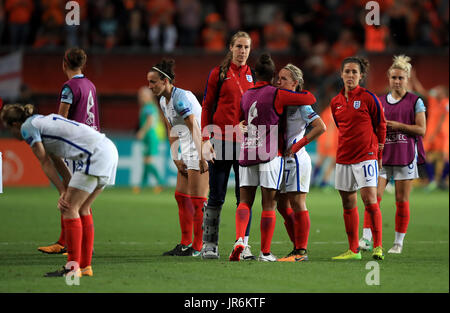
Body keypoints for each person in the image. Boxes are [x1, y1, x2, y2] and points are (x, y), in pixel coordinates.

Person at [1, 103, 118, 277]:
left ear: (15, 124)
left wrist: (63, 192)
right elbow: (57, 160)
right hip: (107, 149)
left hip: (94, 155)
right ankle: (85, 267)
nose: (10, 133)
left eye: (8, 128)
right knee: (82, 208)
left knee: (69, 208)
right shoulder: (41, 121)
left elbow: (45, 162)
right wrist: (65, 188)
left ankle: (72, 268)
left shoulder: (28, 127)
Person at [229, 53, 317, 262]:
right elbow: (310, 98)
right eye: (278, 78)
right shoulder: (276, 94)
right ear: (272, 77)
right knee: (269, 204)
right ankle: (265, 252)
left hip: (248, 151)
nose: (279, 81)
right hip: (270, 154)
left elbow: (238, 120)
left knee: (244, 202)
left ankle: (241, 239)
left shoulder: (246, 95)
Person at [360, 55, 426, 255]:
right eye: (394, 77)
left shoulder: (415, 101)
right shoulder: (379, 101)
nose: (397, 81)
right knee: (374, 196)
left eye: (401, 78)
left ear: (407, 79)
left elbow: (421, 130)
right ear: (388, 78)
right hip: (382, 156)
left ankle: (398, 243)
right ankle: (366, 238)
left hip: (405, 155)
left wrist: (399, 126)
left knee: (401, 199)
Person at [38, 48, 100, 256]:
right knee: (74, 195)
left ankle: (76, 244)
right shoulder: (89, 84)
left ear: (64, 64)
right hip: (91, 144)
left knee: (75, 196)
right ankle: (65, 241)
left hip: (76, 146)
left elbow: (61, 120)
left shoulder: (69, 87)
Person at [200, 31, 255, 260]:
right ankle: (209, 245)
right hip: (221, 141)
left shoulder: (253, 75)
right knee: (216, 195)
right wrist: (205, 141)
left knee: (245, 197)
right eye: (239, 46)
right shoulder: (218, 73)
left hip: (245, 144)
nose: (242, 51)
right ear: (231, 48)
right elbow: (206, 106)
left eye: (246, 47)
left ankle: (243, 244)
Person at [147, 59, 208, 257]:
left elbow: (194, 126)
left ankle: (198, 247)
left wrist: (201, 155)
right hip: (186, 147)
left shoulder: (180, 98)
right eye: (149, 82)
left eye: (153, 82)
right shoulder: (163, 100)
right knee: (181, 196)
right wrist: (175, 156)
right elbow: (170, 127)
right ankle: (184, 243)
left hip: (200, 145)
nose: (150, 86)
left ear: (165, 81)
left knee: (198, 200)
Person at [330, 56, 387, 261]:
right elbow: (341, 127)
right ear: (341, 74)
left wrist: (378, 153)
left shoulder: (369, 97)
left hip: (366, 157)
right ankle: (353, 250)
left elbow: (381, 125)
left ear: (361, 76)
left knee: (370, 200)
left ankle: (378, 246)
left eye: (355, 72)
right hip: (344, 157)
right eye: (347, 71)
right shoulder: (335, 102)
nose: (350, 75)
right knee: (347, 203)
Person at [275, 64, 326, 262]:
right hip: (280, 159)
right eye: (278, 78)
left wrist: (298, 145)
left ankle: (301, 251)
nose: (279, 82)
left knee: (297, 202)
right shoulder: (279, 101)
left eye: (284, 78)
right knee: (281, 204)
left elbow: (320, 127)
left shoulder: (302, 105)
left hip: (295, 159)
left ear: (295, 83)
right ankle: (296, 247)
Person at [134, 86, 164, 194]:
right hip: (149, 137)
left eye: (142, 95)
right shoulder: (151, 107)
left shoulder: (148, 107)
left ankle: (160, 182)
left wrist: (142, 132)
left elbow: (150, 121)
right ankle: (142, 185)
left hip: (150, 137)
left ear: (148, 96)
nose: (141, 97)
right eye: (140, 95)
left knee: (148, 162)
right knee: (146, 162)